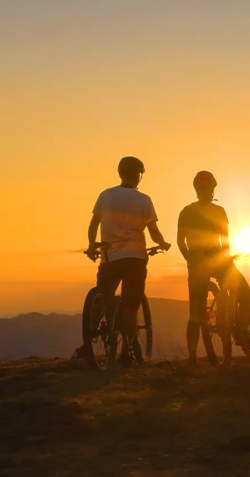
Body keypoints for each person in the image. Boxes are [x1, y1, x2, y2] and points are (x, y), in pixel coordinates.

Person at [85, 156, 171, 367]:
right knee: (131, 307)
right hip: (135, 258)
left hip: (109, 256)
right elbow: (153, 232)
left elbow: (94, 223)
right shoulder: (144, 200)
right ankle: (126, 353)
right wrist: (164, 244)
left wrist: (91, 244)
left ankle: (93, 329)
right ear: (138, 175)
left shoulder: (105, 195)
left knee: (103, 294)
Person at [177, 171, 250, 367]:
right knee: (246, 295)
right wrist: (228, 261)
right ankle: (242, 332)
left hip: (197, 262)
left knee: (195, 313)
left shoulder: (186, 211)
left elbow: (181, 241)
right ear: (212, 189)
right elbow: (225, 241)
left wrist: (190, 260)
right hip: (219, 260)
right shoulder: (219, 211)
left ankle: (192, 357)